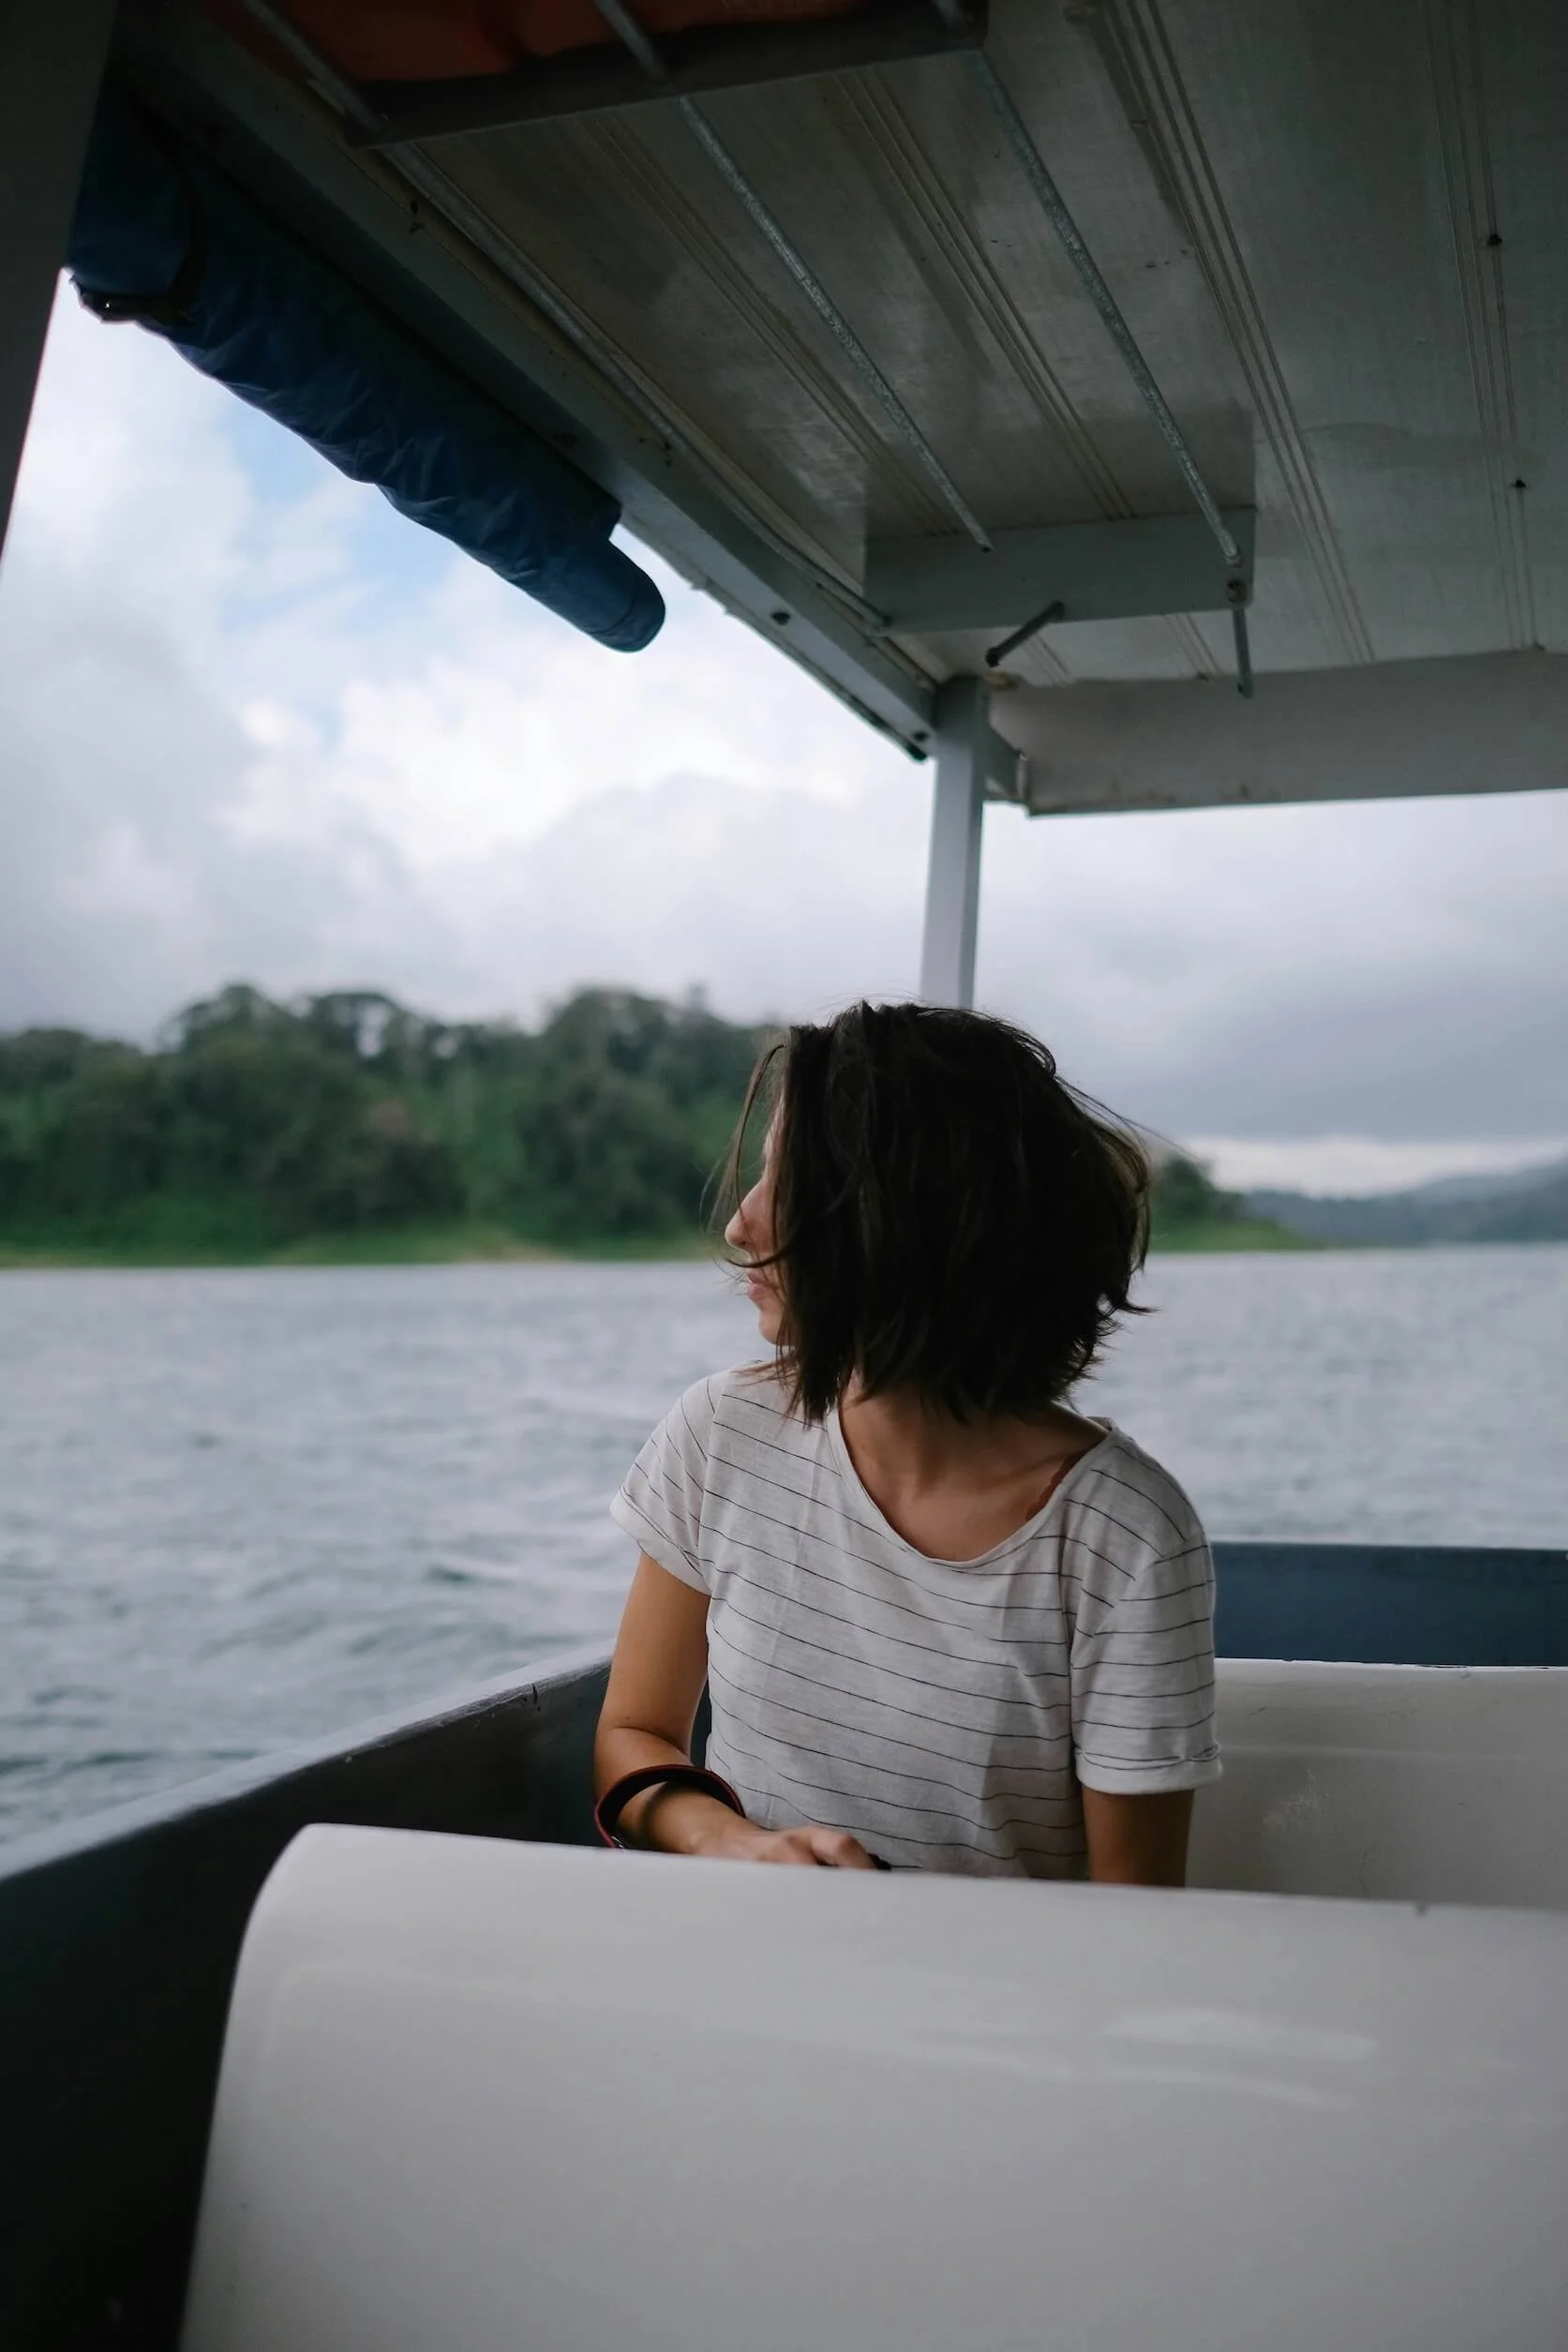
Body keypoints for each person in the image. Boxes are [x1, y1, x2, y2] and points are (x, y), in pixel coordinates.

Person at [594, 1001, 1219, 1882]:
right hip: (740, 1965)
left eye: (786, 1180)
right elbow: (635, 1734)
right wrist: (732, 1841)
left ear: (901, 1219)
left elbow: (1134, 1912)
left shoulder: (1120, 1534)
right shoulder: (718, 1434)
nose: (740, 1223)